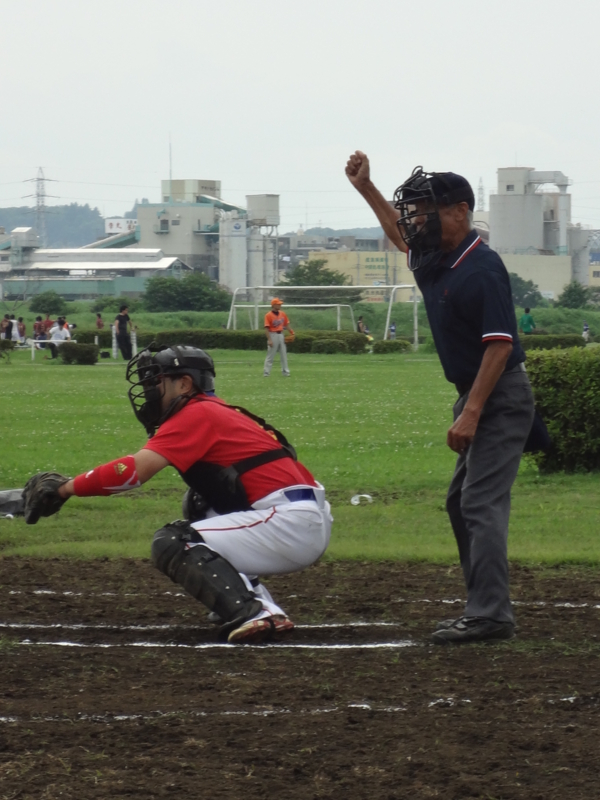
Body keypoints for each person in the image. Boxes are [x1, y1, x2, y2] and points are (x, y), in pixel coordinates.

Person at [346, 151, 534, 645]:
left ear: (460, 212)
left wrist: (472, 411)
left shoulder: (482, 267)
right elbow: (397, 233)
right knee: (460, 503)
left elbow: (500, 345)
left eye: (427, 209)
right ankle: (485, 607)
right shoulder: (436, 259)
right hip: (476, 394)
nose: (417, 219)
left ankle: (491, 614)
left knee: (479, 501)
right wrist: (368, 188)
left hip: (499, 394)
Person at [24, 345, 332, 645]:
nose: (148, 392)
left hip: (288, 522)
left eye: (154, 382)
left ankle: (254, 612)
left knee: (173, 541)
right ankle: (259, 605)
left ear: (184, 383)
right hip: (296, 516)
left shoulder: (196, 413)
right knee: (200, 505)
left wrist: (65, 487)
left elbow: (132, 471)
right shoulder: (217, 410)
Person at [263, 298, 294, 377]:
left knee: (283, 354)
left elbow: (286, 324)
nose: (280, 305)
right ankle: (266, 373)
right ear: (273, 305)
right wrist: (269, 339)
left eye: (280, 304)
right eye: (278, 304)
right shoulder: (268, 315)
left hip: (281, 335)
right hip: (272, 334)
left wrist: (291, 332)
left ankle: (285, 372)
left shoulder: (282, 313)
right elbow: (266, 328)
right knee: (270, 355)